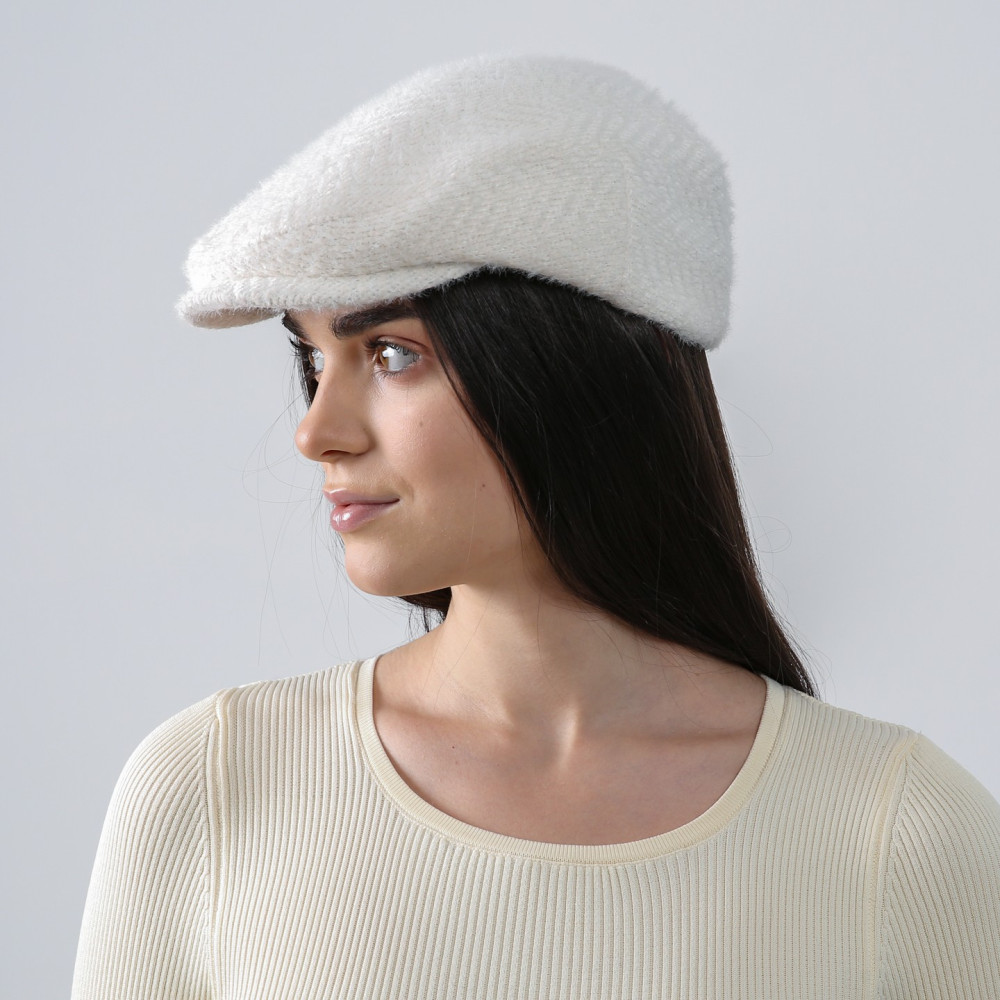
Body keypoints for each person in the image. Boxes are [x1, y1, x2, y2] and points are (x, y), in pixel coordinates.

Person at [71, 54, 1000, 999]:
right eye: (313, 361)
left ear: (571, 370)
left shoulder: (901, 834)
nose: (316, 431)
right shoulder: (216, 784)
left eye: (390, 354)